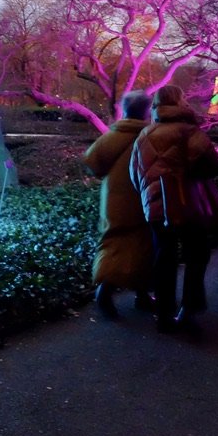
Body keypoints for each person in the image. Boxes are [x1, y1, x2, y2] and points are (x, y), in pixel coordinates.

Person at [130, 85, 218, 335]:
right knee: (197, 253)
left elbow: (134, 173)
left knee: (164, 257)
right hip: (188, 203)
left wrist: (150, 195)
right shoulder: (191, 132)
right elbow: (213, 166)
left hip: (157, 207)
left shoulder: (145, 134)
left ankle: (163, 313)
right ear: (181, 102)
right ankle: (188, 309)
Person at [83, 90, 154, 320]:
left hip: (113, 198)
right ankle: (137, 295)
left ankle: (106, 291)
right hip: (140, 196)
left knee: (113, 244)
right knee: (143, 246)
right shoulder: (147, 135)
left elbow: (92, 162)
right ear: (146, 111)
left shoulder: (113, 135)